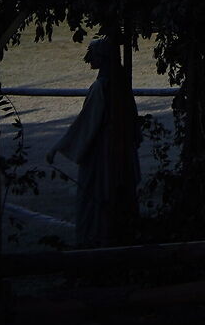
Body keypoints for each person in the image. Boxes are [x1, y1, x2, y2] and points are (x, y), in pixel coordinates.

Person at [47, 40, 139, 247]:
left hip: (104, 151)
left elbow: (87, 122)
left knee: (98, 193)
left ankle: (98, 238)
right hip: (118, 147)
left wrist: (59, 146)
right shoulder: (120, 83)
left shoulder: (102, 86)